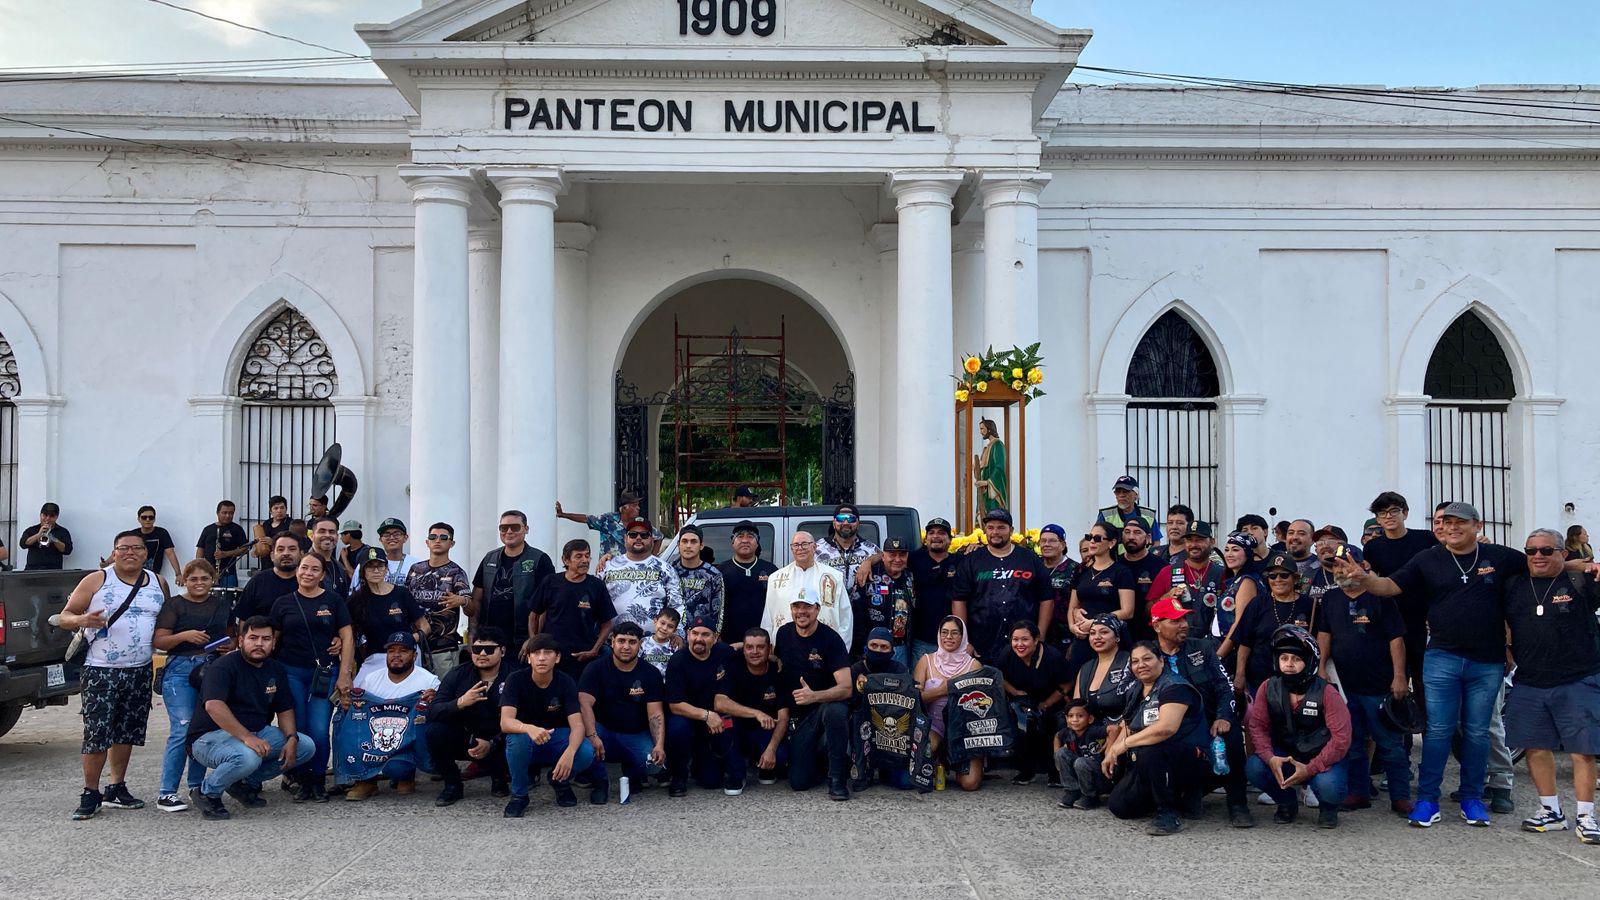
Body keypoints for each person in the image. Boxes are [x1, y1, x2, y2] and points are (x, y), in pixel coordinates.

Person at [1328, 501, 1580, 827]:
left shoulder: (1500, 557)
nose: (1452, 527)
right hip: (1442, 658)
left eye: (1460, 522)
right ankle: (1428, 800)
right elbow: (1389, 587)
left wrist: (1584, 567)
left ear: (1478, 525)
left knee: (1476, 733)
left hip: (1486, 662)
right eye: (1446, 523)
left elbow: (1542, 563)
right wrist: (1365, 579)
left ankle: (1472, 798)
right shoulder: (1428, 558)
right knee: (1438, 732)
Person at [58, 530, 169, 819]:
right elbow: (64, 616)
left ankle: (116, 787)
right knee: (97, 733)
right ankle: (90, 791)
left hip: (140, 669)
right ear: (114, 552)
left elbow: (165, 623)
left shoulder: (158, 582)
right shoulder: (97, 580)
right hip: (100, 670)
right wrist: (82, 619)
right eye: (123, 548)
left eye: (136, 548)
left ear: (146, 553)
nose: (130, 553)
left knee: (126, 731)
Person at [1503, 528, 1600, 843]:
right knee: (1535, 747)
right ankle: (1551, 811)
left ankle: (1586, 816)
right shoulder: (1514, 585)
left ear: (1563, 553)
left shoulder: (1580, 582)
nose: (1538, 556)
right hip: (1530, 681)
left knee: (1582, 750)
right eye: (1531, 551)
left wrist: (1587, 566)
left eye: (1547, 550)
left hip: (1578, 679)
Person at [185, 615, 312, 820]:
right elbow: (214, 706)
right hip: (209, 738)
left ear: (273, 642)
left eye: (266, 639)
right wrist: (247, 737)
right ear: (241, 640)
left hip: (255, 732)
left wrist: (291, 738)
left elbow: (285, 708)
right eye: (253, 638)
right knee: (248, 756)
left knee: (305, 746)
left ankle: (244, 783)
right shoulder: (223, 666)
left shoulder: (275, 669)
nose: (259, 644)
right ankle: (207, 792)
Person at [1316, 551, 1413, 815]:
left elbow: (1396, 639)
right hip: (1343, 687)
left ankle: (1400, 797)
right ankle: (1358, 792)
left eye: (1346, 565)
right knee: (1351, 742)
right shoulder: (1330, 598)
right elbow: (1324, 634)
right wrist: (1321, 667)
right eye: (1335, 567)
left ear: (1361, 566)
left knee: (1390, 745)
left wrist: (1400, 676)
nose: (1340, 571)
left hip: (1379, 685)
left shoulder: (1380, 597)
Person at [1149, 595, 1253, 826]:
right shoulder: (1147, 654)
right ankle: (1170, 804)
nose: (1184, 624)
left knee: (1231, 734)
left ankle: (1238, 804)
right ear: (1157, 625)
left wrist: (1224, 716)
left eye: (1185, 619)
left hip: (1207, 723)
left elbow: (1225, 687)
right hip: (1170, 726)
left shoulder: (1203, 648)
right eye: (1175, 620)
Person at [1245, 625, 1353, 828]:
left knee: (1329, 785)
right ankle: (1287, 803)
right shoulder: (1267, 687)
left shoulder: (1328, 692)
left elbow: (1341, 739)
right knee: (1254, 767)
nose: (1289, 664)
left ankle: (1329, 808)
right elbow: (1258, 727)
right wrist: (1270, 758)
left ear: (1309, 662)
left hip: (1322, 756)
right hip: (1285, 754)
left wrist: (1311, 768)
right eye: (1284, 658)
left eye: (1296, 659)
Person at [267, 552, 354, 803]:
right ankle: (300, 780)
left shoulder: (334, 601)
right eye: (304, 568)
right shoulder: (283, 603)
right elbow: (274, 639)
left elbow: (347, 636)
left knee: (318, 729)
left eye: (315, 569)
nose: (308, 573)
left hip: (325, 673)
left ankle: (317, 780)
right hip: (291, 672)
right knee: (298, 728)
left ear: (323, 575)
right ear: (297, 571)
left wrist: (345, 673)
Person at [1105, 640, 1211, 835]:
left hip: (1191, 758)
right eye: (1135, 661)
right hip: (1151, 761)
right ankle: (1175, 797)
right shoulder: (1136, 688)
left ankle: (1168, 813)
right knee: (1119, 806)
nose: (1141, 665)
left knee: (1152, 747)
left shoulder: (1175, 686)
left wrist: (1125, 745)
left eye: (1147, 659)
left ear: (1161, 661)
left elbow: (1165, 729)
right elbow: (1128, 724)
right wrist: (1111, 751)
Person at [151, 559, 230, 812]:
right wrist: (185, 636)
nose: (199, 583)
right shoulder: (175, 604)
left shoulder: (221, 605)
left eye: (204, 578)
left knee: (202, 730)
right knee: (182, 729)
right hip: (180, 668)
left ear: (212, 580)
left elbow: (231, 635)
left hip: (212, 667)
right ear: (185, 580)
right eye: (193, 579)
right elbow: (160, 640)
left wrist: (229, 645)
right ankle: (167, 792)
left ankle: (196, 785)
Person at [1361, 491, 1440, 728]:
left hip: (1423, 621)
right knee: (1396, 687)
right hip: (1392, 624)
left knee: (1426, 686)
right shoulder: (1373, 548)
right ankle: (1401, 748)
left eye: (1394, 511)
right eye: (1382, 513)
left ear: (1405, 513)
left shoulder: (1426, 539)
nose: (1388, 516)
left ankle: (1431, 743)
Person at [499, 634, 600, 816]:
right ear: (528, 658)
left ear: (558, 657)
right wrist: (529, 728)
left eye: (548, 653)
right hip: (527, 738)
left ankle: (560, 780)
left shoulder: (566, 681)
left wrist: (569, 754)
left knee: (585, 751)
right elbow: (505, 722)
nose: (542, 657)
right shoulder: (515, 679)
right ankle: (519, 795)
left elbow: (577, 725)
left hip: (556, 738)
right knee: (516, 739)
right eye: (536, 653)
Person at [344, 632, 441, 801]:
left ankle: (406, 776)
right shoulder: (371, 679)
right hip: (374, 740)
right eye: (391, 651)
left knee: (396, 769)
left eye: (403, 650)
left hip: (405, 744)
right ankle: (366, 781)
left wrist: (434, 701)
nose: (396, 655)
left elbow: (441, 712)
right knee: (348, 722)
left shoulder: (429, 681)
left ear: (414, 655)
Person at [774, 593, 854, 799]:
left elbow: (846, 688)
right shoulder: (783, 634)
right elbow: (776, 661)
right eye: (796, 606)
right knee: (799, 783)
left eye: (807, 606)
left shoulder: (831, 639)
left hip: (824, 707)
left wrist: (814, 696)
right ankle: (820, 760)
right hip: (800, 718)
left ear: (817, 609)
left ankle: (837, 779)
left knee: (836, 711)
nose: (801, 612)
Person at [579, 621, 665, 804]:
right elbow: (584, 705)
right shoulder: (595, 669)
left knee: (654, 767)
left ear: (640, 644)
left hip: (636, 732)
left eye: (632, 642)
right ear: (612, 642)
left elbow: (655, 714)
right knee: (585, 745)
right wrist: (593, 736)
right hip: (603, 731)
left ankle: (633, 773)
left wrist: (659, 745)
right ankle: (600, 782)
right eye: (621, 641)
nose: (626, 647)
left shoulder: (650, 673)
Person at [427, 626, 515, 806]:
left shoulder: (515, 676)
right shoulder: (458, 674)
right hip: (468, 739)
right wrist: (460, 702)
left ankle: (500, 779)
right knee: (434, 731)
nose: (482, 653)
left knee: (517, 736)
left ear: (502, 651)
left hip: (502, 740)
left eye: (489, 649)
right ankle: (452, 785)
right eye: (476, 649)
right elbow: (434, 710)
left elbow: (526, 717)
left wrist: (492, 743)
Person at [951, 508, 1051, 662]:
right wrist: (965, 640)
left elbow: (1046, 599)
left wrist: (1040, 636)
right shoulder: (971, 561)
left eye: (1001, 527)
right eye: (990, 527)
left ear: (1011, 530)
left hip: (1023, 646)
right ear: (985, 531)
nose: (995, 532)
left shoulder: (1030, 559)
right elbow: (959, 600)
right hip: (982, 644)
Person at [664, 615, 737, 796]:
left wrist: (776, 659)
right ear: (688, 634)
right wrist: (707, 715)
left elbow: (746, 653)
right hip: (687, 717)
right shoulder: (678, 661)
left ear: (715, 637)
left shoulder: (724, 653)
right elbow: (675, 705)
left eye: (705, 634)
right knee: (677, 728)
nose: (699, 639)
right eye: (694, 633)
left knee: (711, 782)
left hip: (714, 721)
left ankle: (702, 762)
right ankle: (678, 776)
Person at [997, 620, 1073, 787]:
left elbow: (1067, 685)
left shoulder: (1053, 657)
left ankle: (1056, 772)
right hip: (1023, 700)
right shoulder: (1007, 653)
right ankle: (1026, 770)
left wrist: (1046, 704)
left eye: (1024, 639)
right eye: (1015, 639)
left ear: (1036, 639)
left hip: (1052, 700)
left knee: (1055, 724)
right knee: (1022, 723)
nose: (1019, 644)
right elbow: (999, 676)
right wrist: (1015, 692)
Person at [1225, 551, 1312, 696]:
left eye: (1284, 575)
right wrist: (1240, 674)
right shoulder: (1258, 603)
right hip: (1259, 680)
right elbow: (1244, 642)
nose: (1278, 579)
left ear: (1295, 579)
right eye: (1272, 576)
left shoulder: (1309, 605)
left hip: (1298, 681)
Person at [716, 626, 791, 791]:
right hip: (737, 730)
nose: (754, 651)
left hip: (765, 731)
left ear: (769, 649)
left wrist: (771, 749)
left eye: (760, 647)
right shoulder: (733, 666)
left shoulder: (778, 672)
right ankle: (736, 775)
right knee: (724, 720)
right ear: (743, 649)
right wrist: (756, 713)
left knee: (779, 756)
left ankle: (765, 767)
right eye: (749, 647)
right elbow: (719, 702)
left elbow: (784, 717)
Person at [914, 615, 983, 791]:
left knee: (970, 784)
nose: (949, 637)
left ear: (963, 637)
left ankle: (964, 762)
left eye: (954, 633)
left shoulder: (974, 666)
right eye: (944, 633)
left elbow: (981, 705)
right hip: (934, 725)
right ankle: (938, 759)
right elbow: (915, 698)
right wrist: (942, 690)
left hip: (963, 731)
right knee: (928, 750)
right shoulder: (926, 661)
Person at [532, 538, 616, 681]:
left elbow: (607, 624)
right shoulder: (550, 582)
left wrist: (594, 650)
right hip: (553, 657)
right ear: (565, 560)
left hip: (583, 658)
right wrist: (533, 642)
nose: (585, 560)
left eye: (587, 555)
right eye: (579, 556)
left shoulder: (596, 586)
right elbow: (533, 615)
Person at [469, 510, 556, 648]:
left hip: (522, 641)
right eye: (503, 528)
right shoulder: (489, 558)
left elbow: (546, 604)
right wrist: (473, 635)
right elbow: (477, 599)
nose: (509, 531)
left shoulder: (540, 559)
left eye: (515, 527)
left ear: (526, 529)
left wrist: (534, 640)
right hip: (490, 639)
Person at [847, 626, 912, 791]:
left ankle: (887, 767)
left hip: (892, 733)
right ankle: (862, 767)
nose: (878, 650)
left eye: (884, 647)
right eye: (874, 645)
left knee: (904, 782)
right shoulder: (856, 669)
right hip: (863, 729)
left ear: (891, 651)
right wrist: (860, 688)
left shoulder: (899, 670)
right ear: (866, 647)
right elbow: (850, 704)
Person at [762, 530, 852, 649]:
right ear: (792, 549)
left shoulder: (833, 577)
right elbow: (768, 615)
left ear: (814, 547)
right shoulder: (776, 578)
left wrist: (841, 649)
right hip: (787, 646)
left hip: (824, 646)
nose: (800, 548)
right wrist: (768, 645)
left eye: (805, 544)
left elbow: (845, 617)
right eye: (796, 545)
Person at [1064, 522, 1135, 672]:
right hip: (1083, 637)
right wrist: (1072, 627)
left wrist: (1095, 623)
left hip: (1111, 637)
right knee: (1078, 677)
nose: (1091, 541)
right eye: (1089, 537)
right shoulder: (1081, 570)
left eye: (1097, 538)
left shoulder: (1121, 572)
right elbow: (1073, 606)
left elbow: (1128, 611)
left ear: (1112, 543)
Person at [404, 521, 473, 675]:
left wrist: (463, 601)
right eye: (433, 537)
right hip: (414, 647)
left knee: (443, 693)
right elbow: (404, 601)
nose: (437, 540)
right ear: (427, 542)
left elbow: (471, 609)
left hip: (443, 649)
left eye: (443, 537)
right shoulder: (415, 569)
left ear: (452, 543)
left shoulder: (457, 572)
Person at [348, 546, 427, 678]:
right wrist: (348, 671)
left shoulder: (402, 593)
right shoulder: (355, 600)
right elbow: (349, 637)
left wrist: (408, 640)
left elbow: (424, 626)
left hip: (406, 657)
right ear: (363, 571)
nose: (376, 570)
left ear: (386, 569)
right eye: (370, 567)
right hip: (375, 658)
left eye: (380, 566)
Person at [1145, 522, 1227, 645]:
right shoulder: (1168, 572)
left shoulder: (1222, 573)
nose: (1193, 545)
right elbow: (1148, 610)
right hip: (1175, 643)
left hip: (1213, 644)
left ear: (1212, 541)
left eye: (1199, 540)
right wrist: (1166, 597)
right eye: (1189, 540)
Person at [600, 516, 682, 632]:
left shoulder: (665, 569)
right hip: (613, 642)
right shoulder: (607, 567)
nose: (638, 538)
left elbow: (677, 605)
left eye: (644, 535)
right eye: (633, 535)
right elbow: (595, 602)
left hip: (653, 643)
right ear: (625, 538)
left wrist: (679, 633)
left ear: (652, 539)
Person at [906, 517, 958, 671]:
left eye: (941, 533)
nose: (936, 536)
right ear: (926, 538)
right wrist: (868, 562)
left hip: (951, 638)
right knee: (920, 684)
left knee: (950, 684)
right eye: (931, 533)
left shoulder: (961, 561)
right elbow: (889, 557)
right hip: (922, 638)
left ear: (949, 539)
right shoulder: (913, 558)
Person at [853, 537, 916, 662]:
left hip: (901, 647)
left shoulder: (910, 576)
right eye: (892, 555)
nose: (897, 559)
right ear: (883, 556)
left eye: (902, 555)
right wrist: (862, 648)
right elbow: (857, 613)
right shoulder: (868, 575)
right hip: (874, 647)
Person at [716, 520, 777, 649]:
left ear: (757, 542)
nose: (745, 540)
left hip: (762, 642)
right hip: (729, 641)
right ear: (733, 541)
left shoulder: (771, 570)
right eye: (740, 536)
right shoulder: (720, 571)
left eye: (750, 536)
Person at [1074, 613, 1136, 733]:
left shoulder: (1131, 661)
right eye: (1092, 633)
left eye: (1104, 632)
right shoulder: (1085, 668)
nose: (1097, 637)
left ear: (1117, 637)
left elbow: (1137, 704)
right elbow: (1076, 708)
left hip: (1125, 730)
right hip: (1093, 735)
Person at [1212, 532, 1263, 654]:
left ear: (1248, 554)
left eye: (1235, 550)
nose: (1229, 554)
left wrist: (1220, 655)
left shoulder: (1247, 582)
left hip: (1233, 651)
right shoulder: (1234, 580)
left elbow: (1240, 623)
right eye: (1226, 550)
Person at [1055, 699, 1111, 810]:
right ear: (1066, 719)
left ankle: (1090, 796)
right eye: (1070, 716)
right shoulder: (1067, 732)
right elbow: (1057, 736)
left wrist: (1110, 748)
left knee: (1081, 762)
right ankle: (1072, 791)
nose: (1075, 720)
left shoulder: (1094, 730)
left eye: (1080, 716)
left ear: (1090, 719)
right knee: (1061, 753)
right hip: (1081, 770)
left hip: (1100, 774)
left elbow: (1114, 729)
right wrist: (1056, 756)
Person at [233, 533, 301, 622]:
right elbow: (244, 618)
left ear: (301, 554)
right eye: (280, 549)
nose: (286, 553)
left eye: (292, 549)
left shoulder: (309, 581)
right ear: (272, 556)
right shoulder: (258, 581)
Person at [554, 491, 642, 558]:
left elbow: (655, 537)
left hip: (631, 570)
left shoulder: (641, 523)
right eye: (634, 505)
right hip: (609, 568)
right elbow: (586, 518)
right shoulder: (608, 520)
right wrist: (564, 515)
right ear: (624, 508)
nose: (638, 508)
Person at [1117, 519, 1165, 641]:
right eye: (1127, 532)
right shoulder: (1114, 563)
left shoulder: (1161, 566)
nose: (1131, 537)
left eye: (1137, 532)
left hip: (1149, 636)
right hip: (1117, 634)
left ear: (1148, 538)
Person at [674, 525, 726, 634]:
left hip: (701, 636)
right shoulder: (669, 571)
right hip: (673, 636)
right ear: (678, 545)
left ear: (701, 545)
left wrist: (714, 634)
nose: (688, 546)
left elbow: (718, 611)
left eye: (693, 542)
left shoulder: (713, 575)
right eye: (684, 541)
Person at [1036, 524, 1078, 652]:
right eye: (1043, 541)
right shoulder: (1034, 566)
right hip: (1035, 635)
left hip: (1065, 635)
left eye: (1052, 540)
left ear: (1063, 545)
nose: (1046, 544)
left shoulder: (1075, 569)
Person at [817, 503, 880, 588]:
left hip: (861, 600)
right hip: (829, 600)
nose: (846, 522)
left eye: (851, 519)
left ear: (858, 523)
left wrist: (869, 561)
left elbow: (884, 556)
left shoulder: (870, 548)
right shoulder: (817, 548)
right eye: (841, 518)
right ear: (834, 523)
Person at [1095, 475, 1162, 553]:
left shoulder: (1148, 515)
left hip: (1142, 562)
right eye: (1118, 492)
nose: (1121, 495)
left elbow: (1156, 542)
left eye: (1125, 491)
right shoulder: (1106, 515)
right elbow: (1096, 540)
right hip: (1115, 563)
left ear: (1136, 495)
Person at [196, 500, 249, 588]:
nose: (228, 516)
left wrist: (225, 554)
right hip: (208, 573)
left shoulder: (237, 529)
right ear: (217, 513)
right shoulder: (208, 529)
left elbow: (245, 549)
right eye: (224, 513)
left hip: (229, 573)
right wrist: (198, 567)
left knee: (228, 599)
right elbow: (201, 549)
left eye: (231, 513)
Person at [21, 501, 73, 570]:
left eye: (52, 516)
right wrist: (38, 535)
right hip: (32, 571)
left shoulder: (63, 532)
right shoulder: (31, 530)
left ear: (56, 517)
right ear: (40, 515)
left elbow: (67, 550)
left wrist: (53, 539)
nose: (47, 519)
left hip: (53, 571)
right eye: (45, 515)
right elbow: (23, 544)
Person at [308, 515, 350, 598]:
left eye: (331, 532)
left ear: (337, 537)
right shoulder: (303, 566)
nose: (327, 535)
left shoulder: (340, 567)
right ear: (312, 536)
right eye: (322, 531)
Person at [134, 505, 180, 575]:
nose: (147, 520)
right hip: (133, 573)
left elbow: (170, 553)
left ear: (154, 519)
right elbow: (121, 552)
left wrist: (178, 574)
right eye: (144, 517)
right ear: (139, 519)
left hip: (154, 575)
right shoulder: (133, 534)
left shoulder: (162, 533)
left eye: (151, 517)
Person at [375, 518, 422, 586]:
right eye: (386, 535)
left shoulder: (417, 564)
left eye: (397, 534)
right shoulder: (371, 564)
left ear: (405, 538)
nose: (391, 538)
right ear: (380, 539)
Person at [640, 607, 682, 675]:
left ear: (674, 630)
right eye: (662, 623)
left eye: (670, 626)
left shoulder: (675, 647)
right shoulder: (642, 643)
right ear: (655, 621)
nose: (665, 628)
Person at [251, 495, 292, 562]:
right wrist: (256, 549)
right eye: (276, 508)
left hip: (283, 561)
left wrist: (273, 542)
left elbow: (294, 543)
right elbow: (260, 540)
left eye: (282, 508)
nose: (279, 511)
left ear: (286, 509)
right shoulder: (266, 523)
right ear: (270, 511)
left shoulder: (291, 523)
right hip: (266, 562)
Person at [1284, 520, 1320, 585]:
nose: (1294, 537)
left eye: (1301, 533)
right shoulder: (1276, 563)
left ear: (1312, 540)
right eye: (1291, 533)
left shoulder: (1320, 566)